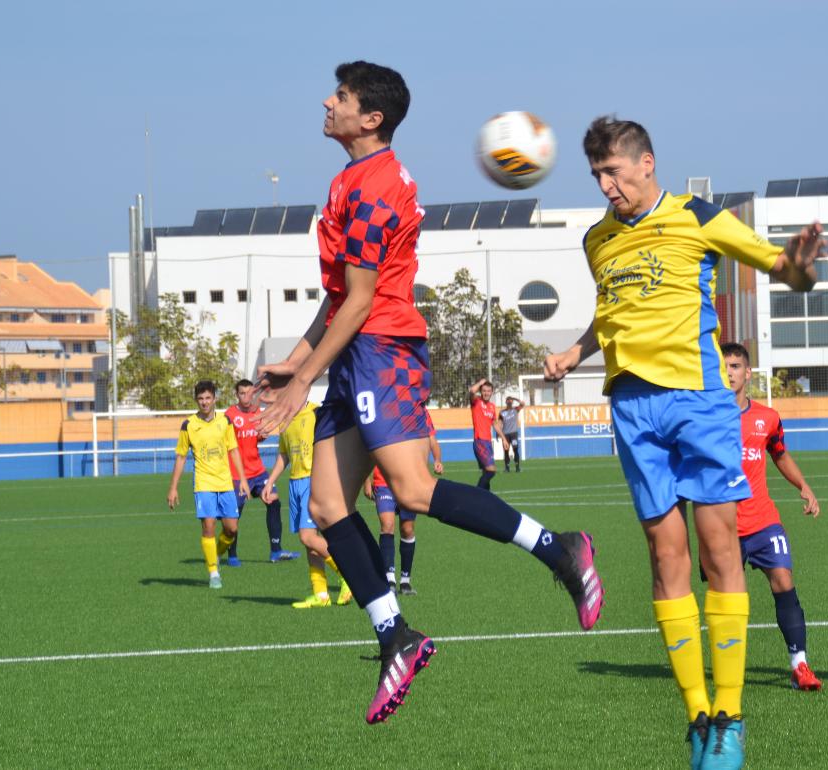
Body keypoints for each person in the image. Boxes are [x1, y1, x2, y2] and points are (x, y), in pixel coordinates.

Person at [255, 61, 603, 726]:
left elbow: (359, 302)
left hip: (382, 350)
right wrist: (296, 361)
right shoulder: (350, 179)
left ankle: (561, 550)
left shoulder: (378, 187)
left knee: (412, 490)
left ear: (370, 118)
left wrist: (305, 380)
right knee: (328, 506)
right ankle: (396, 636)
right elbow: (338, 299)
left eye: (342, 97)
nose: (327, 103)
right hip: (354, 351)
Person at [544, 116, 821, 770]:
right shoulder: (597, 240)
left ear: (647, 162)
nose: (607, 186)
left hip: (700, 404)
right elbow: (611, 310)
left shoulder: (698, 216)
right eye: (596, 176)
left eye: (614, 171)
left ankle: (731, 715)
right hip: (632, 408)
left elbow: (783, 268)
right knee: (664, 557)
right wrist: (576, 351)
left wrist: (801, 270)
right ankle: (697, 714)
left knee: (718, 546)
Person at [720, 342, 822, 691]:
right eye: (725, 366)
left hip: (763, 520)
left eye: (736, 366)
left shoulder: (767, 418)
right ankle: (727, 668)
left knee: (784, 581)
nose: (730, 372)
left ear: (748, 373)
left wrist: (803, 486)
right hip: (721, 526)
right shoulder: (705, 416)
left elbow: (779, 455)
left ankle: (800, 665)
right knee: (729, 598)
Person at [263, 401, 351, 608]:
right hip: (295, 483)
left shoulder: (316, 413)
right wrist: (270, 481)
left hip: (313, 480)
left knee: (308, 536)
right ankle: (321, 594)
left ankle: (349, 576)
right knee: (310, 543)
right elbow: (283, 455)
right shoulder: (284, 419)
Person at [167, 380, 248, 590]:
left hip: (225, 482)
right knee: (209, 525)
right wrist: (173, 487)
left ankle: (216, 554)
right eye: (201, 399)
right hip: (203, 483)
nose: (204, 402)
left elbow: (233, 450)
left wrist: (243, 480)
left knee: (231, 529)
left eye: (208, 398)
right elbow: (181, 457)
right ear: (196, 400)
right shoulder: (189, 425)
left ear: (215, 398)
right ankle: (213, 572)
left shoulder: (225, 422)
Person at [363, 415, 444, 594]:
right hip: (383, 481)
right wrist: (366, 479)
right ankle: (389, 578)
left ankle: (405, 580)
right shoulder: (382, 406)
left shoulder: (419, 412)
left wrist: (437, 459)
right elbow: (370, 444)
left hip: (408, 481)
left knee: (407, 529)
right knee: (387, 525)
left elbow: (432, 440)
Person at [225, 379, 300, 565]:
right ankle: (232, 555)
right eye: (242, 393)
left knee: (273, 501)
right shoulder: (230, 415)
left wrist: (262, 436)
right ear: (237, 395)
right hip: (237, 474)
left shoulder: (259, 414)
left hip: (258, 471)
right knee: (234, 516)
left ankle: (276, 551)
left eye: (250, 393)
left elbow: (256, 438)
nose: (247, 397)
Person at [468, 379, 507, 488]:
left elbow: (494, 424)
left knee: (486, 473)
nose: (486, 393)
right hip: (480, 441)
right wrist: (480, 382)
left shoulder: (491, 406)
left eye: (488, 391)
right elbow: (471, 391)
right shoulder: (476, 402)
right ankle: (476, 494)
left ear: (492, 392)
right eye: (484, 390)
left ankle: (485, 498)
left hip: (488, 442)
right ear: (481, 391)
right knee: (491, 471)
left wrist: (503, 438)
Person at [499, 396, 523, 472]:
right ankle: (507, 467)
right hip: (505, 434)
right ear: (506, 402)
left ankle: (517, 467)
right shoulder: (502, 412)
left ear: (512, 402)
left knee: (515, 449)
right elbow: (499, 423)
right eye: (508, 400)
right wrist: (498, 433)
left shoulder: (515, 409)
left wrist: (515, 398)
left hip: (513, 434)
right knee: (506, 451)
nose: (509, 402)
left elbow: (522, 403)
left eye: (511, 401)